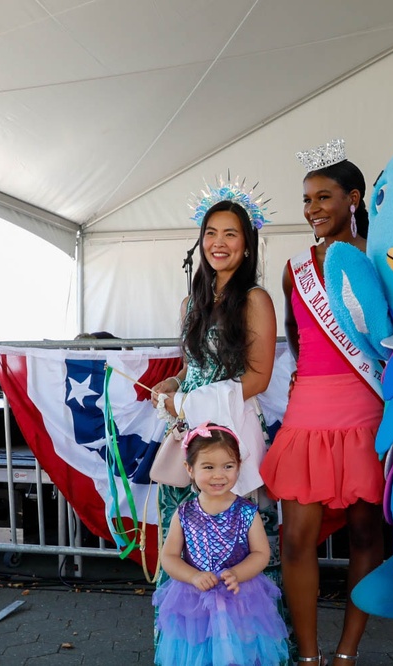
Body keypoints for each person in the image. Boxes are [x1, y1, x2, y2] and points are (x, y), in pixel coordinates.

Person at [260, 140, 386, 665]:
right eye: (307, 199)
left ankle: (346, 654)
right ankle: (309, 656)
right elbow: (295, 335)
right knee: (296, 540)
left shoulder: (381, 260)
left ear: (353, 198)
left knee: (365, 536)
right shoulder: (295, 270)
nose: (312, 208)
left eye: (323, 197)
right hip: (310, 408)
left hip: (365, 405)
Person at [149, 181, 284, 659]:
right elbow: (193, 367)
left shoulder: (255, 300)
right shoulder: (192, 303)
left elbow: (259, 376)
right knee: (183, 553)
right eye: (211, 232)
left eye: (231, 234)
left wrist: (191, 404)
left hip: (231, 442)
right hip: (190, 448)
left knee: (237, 556)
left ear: (247, 245)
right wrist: (173, 386)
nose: (219, 243)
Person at [153, 424, 290, 665]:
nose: (219, 475)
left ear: (239, 466)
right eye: (208, 467)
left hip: (240, 598)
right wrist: (194, 576)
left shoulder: (247, 512)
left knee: (241, 651)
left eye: (228, 466)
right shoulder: (184, 513)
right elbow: (170, 557)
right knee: (197, 653)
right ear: (190, 469)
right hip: (195, 600)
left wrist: (238, 573)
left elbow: (260, 553)